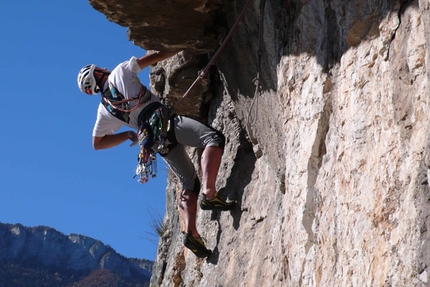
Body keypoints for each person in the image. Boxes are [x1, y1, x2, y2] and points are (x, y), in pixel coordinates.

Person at [77, 51, 235, 258]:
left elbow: (97, 144)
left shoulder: (104, 111)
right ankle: (210, 193)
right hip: (165, 121)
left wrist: (125, 134)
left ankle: (191, 232)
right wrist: (178, 47)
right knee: (212, 139)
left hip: (154, 141)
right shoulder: (119, 71)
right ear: (97, 73)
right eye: (99, 69)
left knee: (188, 183)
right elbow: (154, 58)